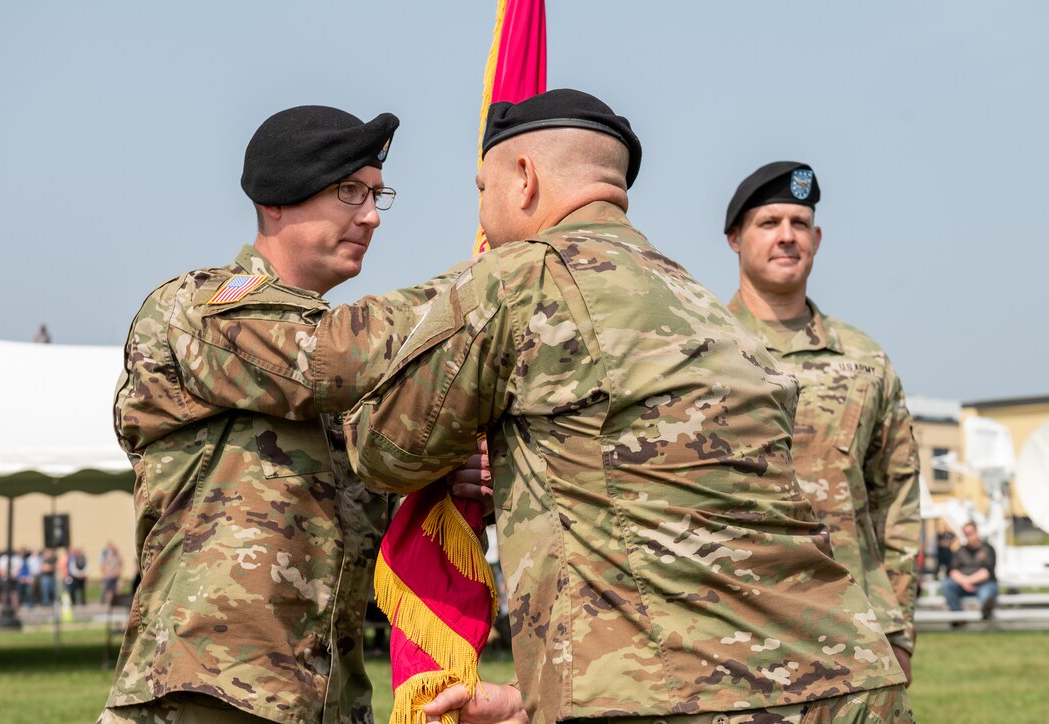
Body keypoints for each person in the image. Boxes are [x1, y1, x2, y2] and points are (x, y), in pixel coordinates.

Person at [346, 89, 912, 723]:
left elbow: (385, 450)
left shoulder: (518, 277)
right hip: (841, 682)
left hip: (684, 697)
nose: (481, 212)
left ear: (524, 179)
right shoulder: (701, 304)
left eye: (483, 188)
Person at [99, 104, 468, 724]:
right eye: (350, 192)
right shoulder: (199, 308)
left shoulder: (359, 368)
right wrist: (492, 286)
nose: (372, 217)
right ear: (277, 199)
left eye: (378, 195)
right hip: (208, 694)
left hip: (324, 700)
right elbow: (325, 359)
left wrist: (441, 477)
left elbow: (372, 502)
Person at [721, 161, 922, 684]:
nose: (787, 237)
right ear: (734, 239)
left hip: (858, 631)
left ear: (817, 237)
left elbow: (897, 497)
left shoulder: (865, 360)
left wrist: (897, 627)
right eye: (768, 223)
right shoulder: (701, 350)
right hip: (734, 633)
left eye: (799, 224)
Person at [941, 521, 998, 621]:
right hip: (962, 585)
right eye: (966, 534)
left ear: (977, 532)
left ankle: (986, 615)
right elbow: (952, 571)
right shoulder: (960, 551)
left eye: (970, 533)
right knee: (947, 585)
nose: (968, 536)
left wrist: (968, 581)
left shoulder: (987, 549)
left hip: (983, 584)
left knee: (987, 591)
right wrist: (964, 582)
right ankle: (958, 617)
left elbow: (986, 572)